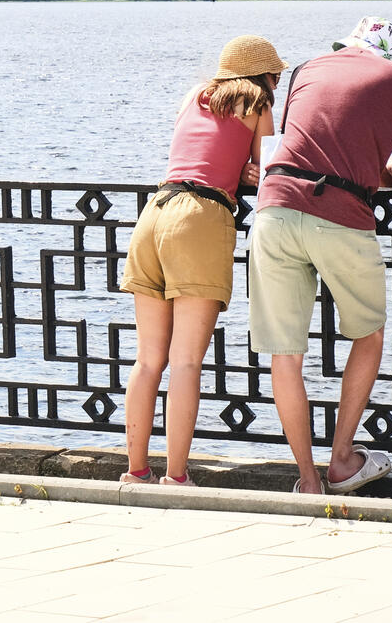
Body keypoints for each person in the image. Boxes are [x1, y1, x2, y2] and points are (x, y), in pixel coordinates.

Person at [250, 16, 392, 496]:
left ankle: (308, 480)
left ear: (349, 45)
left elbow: (317, 142)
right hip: (339, 216)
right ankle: (342, 461)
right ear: (389, 55)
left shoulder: (307, 68)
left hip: (273, 209)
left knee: (285, 355)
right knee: (369, 334)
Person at [120, 34, 287, 487]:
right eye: (277, 76)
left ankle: (135, 472)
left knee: (148, 359)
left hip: (154, 214)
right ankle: (176, 477)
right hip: (201, 218)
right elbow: (269, 169)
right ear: (264, 76)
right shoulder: (259, 104)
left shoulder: (195, 95)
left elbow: (198, 151)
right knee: (187, 361)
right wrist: (248, 170)